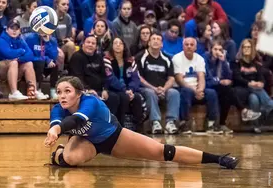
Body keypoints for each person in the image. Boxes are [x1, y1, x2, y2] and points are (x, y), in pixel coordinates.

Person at [44, 76, 239, 169]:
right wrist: (55, 127)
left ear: (79, 93)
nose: (62, 95)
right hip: (87, 140)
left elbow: (77, 119)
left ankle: (218, 158)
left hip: (114, 137)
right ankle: (61, 153)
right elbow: (59, 120)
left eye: (67, 91)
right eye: (59, 91)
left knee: (163, 153)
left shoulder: (90, 101)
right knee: (70, 160)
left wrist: (58, 128)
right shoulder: (58, 108)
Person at [136, 32, 180, 134]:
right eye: (153, 39)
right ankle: (155, 122)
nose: (156, 41)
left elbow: (171, 78)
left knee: (174, 93)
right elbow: (139, 78)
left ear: (162, 44)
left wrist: (164, 88)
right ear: (149, 43)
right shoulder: (140, 57)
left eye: (158, 39)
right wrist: (154, 88)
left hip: (163, 89)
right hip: (146, 88)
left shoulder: (167, 59)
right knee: (150, 93)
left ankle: (170, 123)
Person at [0, 19, 45, 100]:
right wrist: (21, 51)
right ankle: (14, 92)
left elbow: (30, 55)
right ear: (7, 29)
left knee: (29, 63)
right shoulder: (1, 40)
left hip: (14, 69)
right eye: (12, 28)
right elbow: (8, 54)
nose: (14, 31)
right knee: (13, 62)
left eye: (16, 29)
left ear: (19, 30)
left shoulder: (21, 40)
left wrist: (19, 58)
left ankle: (34, 91)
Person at [25, 32, 59, 99]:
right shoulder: (30, 38)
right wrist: (46, 59)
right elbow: (28, 56)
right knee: (40, 62)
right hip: (33, 63)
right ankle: (38, 89)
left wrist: (48, 42)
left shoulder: (53, 40)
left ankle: (53, 90)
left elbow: (54, 56)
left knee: (55, 64)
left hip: (45, 64)